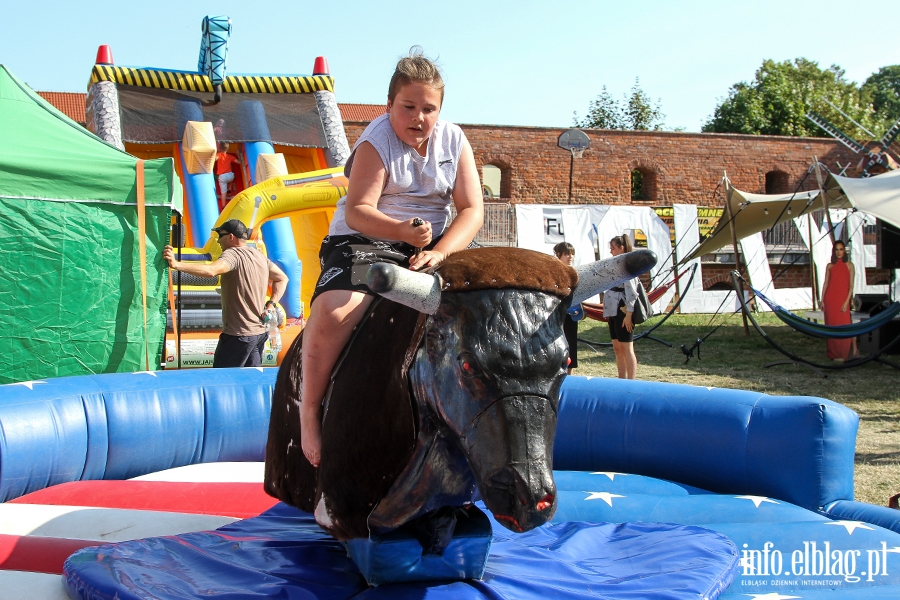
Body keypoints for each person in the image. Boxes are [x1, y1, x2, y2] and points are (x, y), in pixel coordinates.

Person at [300, 48, 484, 468]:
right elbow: (358, 210)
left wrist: (439, 250)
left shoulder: (454, 140)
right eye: (409, 107)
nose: (419, 117)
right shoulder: (375, 141)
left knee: (488, 297)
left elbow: (472, 209)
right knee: (335, 309)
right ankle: (310, 409)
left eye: (428, 109)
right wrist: (402, 232)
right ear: (389, 105)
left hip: (434, 243)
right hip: (369, 237)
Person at [163, 219, 288, 368]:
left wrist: (176, 264)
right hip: (259, 334)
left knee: (221, 381)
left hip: (238, 335)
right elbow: (282, 278)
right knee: (249, 381)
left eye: (220, 236)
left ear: (230, 237)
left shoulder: (232, 254)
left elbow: (211, 271)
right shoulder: (258, 255)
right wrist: (271, 304)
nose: (218, 242)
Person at [604, 234, 640, 379]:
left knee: (626, 347)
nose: (611, 251)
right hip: (612, 309)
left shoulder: (627, 265)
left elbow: (632, 291)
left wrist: (629, 314)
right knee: (617, 347)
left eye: (613, 248)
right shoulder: (615, 264)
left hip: (622, 309)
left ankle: (631, 381)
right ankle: (621, 379)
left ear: (621, 248)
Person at [820, 240, 856, 361]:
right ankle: (833, 354)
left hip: (842, 299)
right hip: (830, 299)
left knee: (845, 325)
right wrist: (822, 300)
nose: (839, 252)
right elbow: (826, 283)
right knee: (831, 326)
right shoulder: (830, 266)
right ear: (834, 251)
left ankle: (845, 353)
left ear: (844, 250)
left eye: (841, 249)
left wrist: (847, 302)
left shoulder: (849, 265)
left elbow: (851, 286)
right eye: (837, 249)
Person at [554, 242, 582, 375]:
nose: (570, 256)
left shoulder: (575, 272)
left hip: (571, 314)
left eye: (572, 253)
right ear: (559, 255)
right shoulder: (554, 271)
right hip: (557, 313)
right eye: (567, 254)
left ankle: (569, 375)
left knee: (571, 344)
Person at [214, 142, 242, 208]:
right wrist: (238, 154)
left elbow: (215, 159)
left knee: (223, 193)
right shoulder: (230, 156)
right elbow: (239, 162)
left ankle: (223, 206)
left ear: (220, 148)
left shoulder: (219, 155)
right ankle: (229, 190)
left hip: (222, 177)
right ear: (228, 149)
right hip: (230, 176)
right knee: (232, 177)